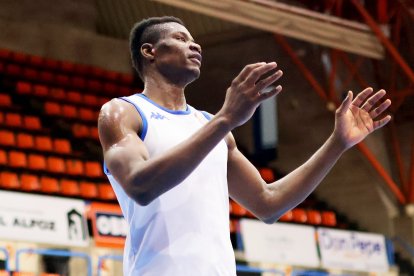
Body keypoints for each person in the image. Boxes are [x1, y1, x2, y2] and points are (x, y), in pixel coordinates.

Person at [98, 16, 391, 275]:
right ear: (149, 52)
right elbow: (140, 186)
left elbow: (269, 202)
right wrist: (225, 118)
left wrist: (337, 143)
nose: (195, 46)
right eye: (180, 38)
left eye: (194, 40)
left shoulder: (212, 127)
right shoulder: (123, 112)